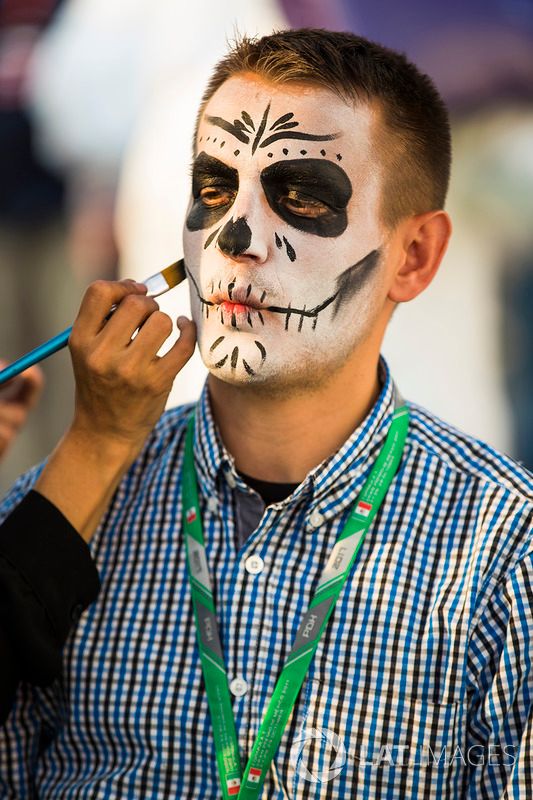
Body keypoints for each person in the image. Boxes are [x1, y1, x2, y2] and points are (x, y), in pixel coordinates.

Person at [0, 29, 531, 799]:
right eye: (214, 189)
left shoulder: (503, 557)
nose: (234, 238)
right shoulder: (52, 523)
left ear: (413, 256)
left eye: (304, 195)